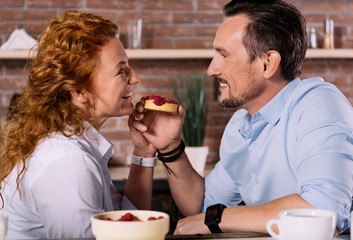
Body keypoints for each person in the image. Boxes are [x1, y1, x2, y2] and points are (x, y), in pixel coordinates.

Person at [132, 0, 353, 235]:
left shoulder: (318, 104)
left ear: (267, 63)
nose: (211, 69)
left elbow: (322, 212)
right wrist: (170, 147)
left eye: (224, 55)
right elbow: (202, 205)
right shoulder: (241, 125)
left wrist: (218, 219)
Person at [0, 10, 156, 239]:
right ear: (80, 91)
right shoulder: (68, 162)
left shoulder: (74, 146)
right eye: (121, 70)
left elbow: (125, 226)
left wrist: (144, 152)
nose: (135, 78)